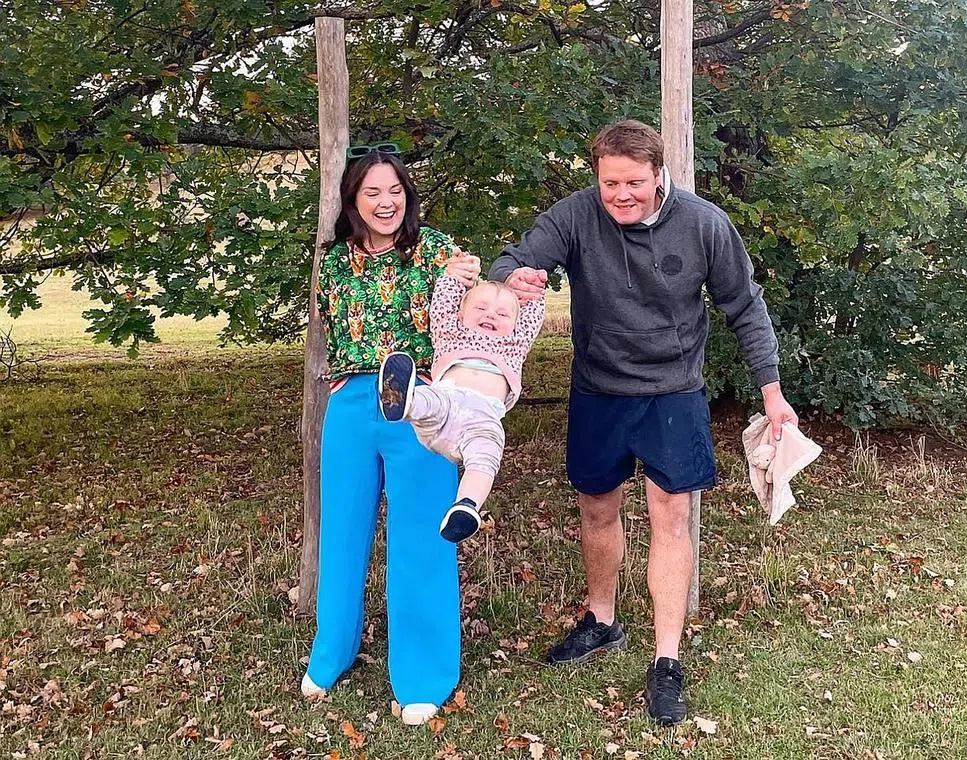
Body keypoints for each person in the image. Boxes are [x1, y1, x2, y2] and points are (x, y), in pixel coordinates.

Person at [488, 120, 798, 726]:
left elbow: (744, 304)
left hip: (672, 393)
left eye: (633, 182)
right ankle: (602, 620)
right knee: (596, 510)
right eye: (610, 183)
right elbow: (516, 259)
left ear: (658, 174)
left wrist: (772, 391)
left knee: (671, 518)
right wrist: (512, 277)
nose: (621, 194)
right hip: (598, 389)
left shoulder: (704, 223)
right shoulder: (576, 215)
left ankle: (666, 660)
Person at [300, 145, 481, 727]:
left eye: (395, 191)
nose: (386, 202)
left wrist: (469, 279)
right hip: (353, 405)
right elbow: (332, 325)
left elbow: (474, 320)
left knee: (422, 537)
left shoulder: (438, 252)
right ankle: (332, 652)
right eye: (373, 192)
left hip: (420, 406)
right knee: (341, 531)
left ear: (408, 195)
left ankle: (423, 674)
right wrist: (344, 380)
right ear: (353, 200)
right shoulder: (334, 261)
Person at [377, 275, 545, 542]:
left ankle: (466, 506)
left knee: (486, 455)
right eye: (481, 307)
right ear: (461, 312)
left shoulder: (515, 343)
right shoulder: (451, 332)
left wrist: (534, 287)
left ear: (515, 323)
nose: (491, 315)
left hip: (482, 419)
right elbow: (442, 303)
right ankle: (402, 402)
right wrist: (454, 277)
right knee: (432, 400)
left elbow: (533, 315)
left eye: (502, 314)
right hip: (447, 402)